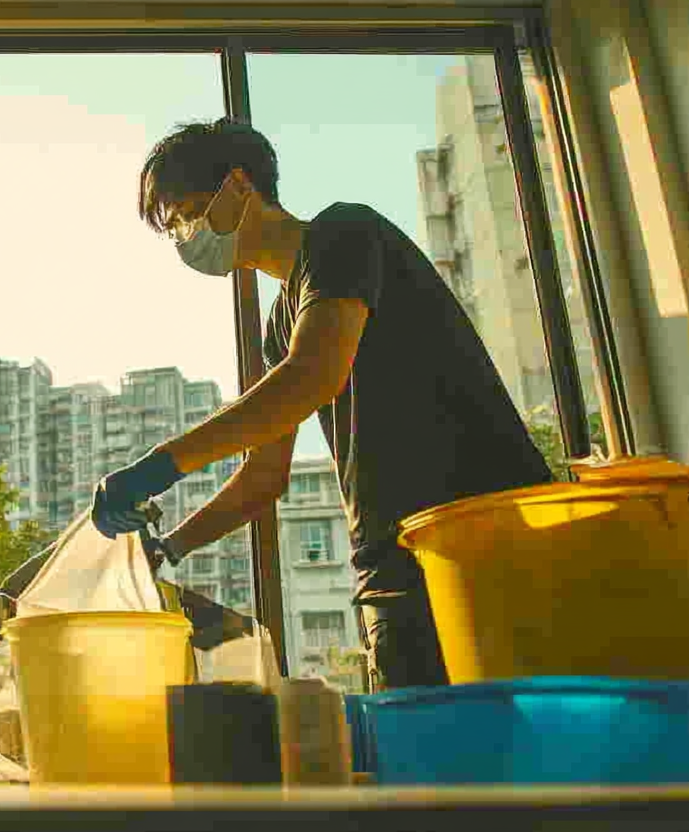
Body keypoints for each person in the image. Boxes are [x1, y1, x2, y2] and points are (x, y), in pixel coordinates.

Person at [91, 118, 553, 691]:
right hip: (393, 560)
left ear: (239, 186)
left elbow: (311, 376)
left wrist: (155, 469)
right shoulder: (278, 328)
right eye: (174, 227)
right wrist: (167, 549)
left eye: (187, 212)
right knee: (429, 763)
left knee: (531, 756)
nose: (186, 236)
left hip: (484, 532)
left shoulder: (343, 234)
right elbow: (263, 478)